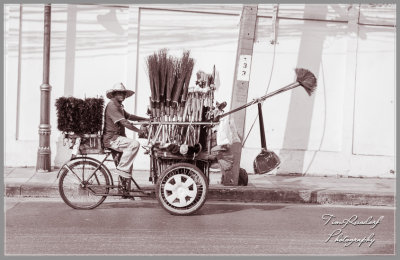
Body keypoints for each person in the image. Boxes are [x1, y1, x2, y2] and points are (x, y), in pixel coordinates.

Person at [103, 82, 149, 179]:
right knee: (134, 144)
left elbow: (129, 116)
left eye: (123, 93)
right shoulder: (112, 106)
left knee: (127, 166)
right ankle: (121, 169)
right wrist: (139, 131)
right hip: (112, 139)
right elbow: (125, 122)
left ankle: (124, 191)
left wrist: (145, 119)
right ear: (114, 94)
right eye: (119, 93)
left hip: (118, 138)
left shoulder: (119, 106)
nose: (122, 95)